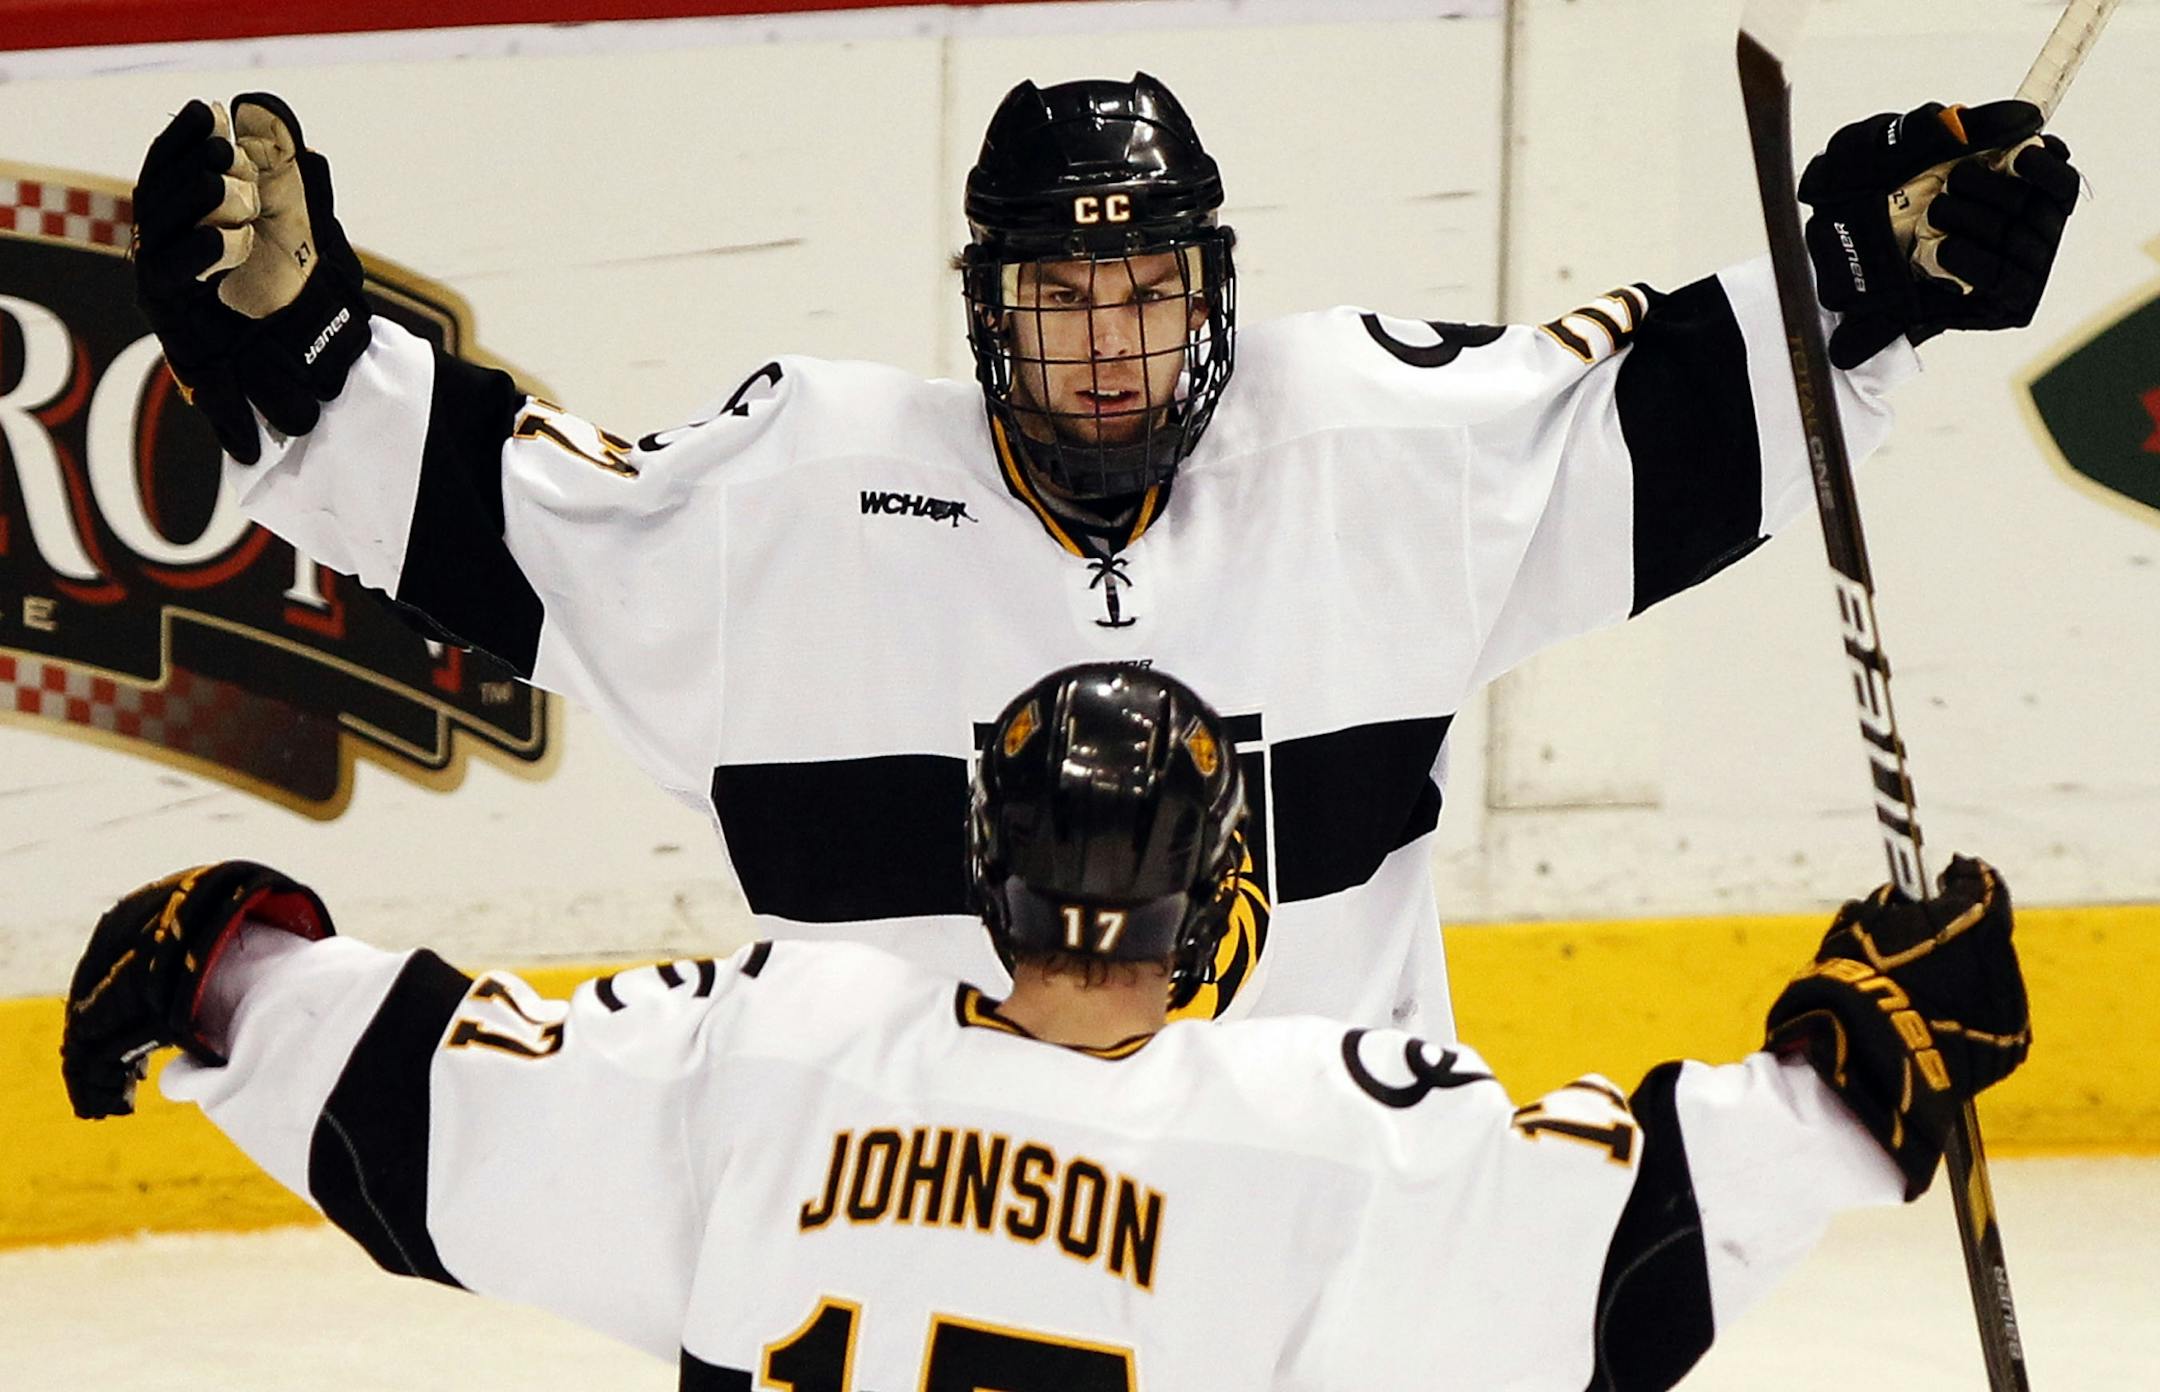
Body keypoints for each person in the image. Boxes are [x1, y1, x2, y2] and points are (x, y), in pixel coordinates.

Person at [126, 80, 2078, 1031]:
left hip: (1324, 1246)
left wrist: (1865, 277)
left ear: (1212, 291)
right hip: (920, 1240)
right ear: (987, 308)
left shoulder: (1369, 453)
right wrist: (297, 347)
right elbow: (525, 525)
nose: (1111, 346)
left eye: (1148, 289)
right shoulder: (805, 500)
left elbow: (1643, 426)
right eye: (1062, 298)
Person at [61, 663, 2031, 1390]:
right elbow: (1621, 1255)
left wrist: (228, 974)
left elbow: (423, 1123)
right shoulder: (1313, 1131)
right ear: (1217, 893)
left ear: (988, 865)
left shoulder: (775, 1051)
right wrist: (1857, 1072)